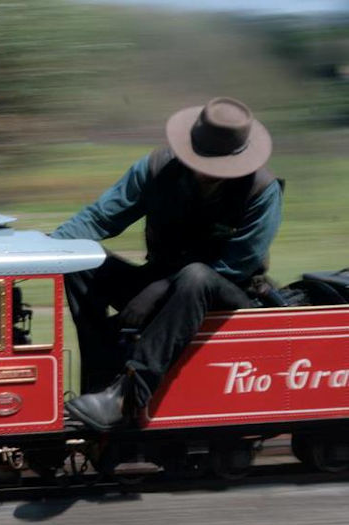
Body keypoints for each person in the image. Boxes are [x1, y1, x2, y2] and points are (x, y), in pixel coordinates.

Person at [53, 97, 284, 431]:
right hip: (158, 280)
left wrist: (160, 290)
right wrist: (47, 249)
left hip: (227, 294)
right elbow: (100, 217)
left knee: (195, 276)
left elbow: (238, 264)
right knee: (80, 260)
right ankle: (99, 377)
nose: (206, 170)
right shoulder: (156, 168)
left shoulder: (262, 190)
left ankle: (126, 395)